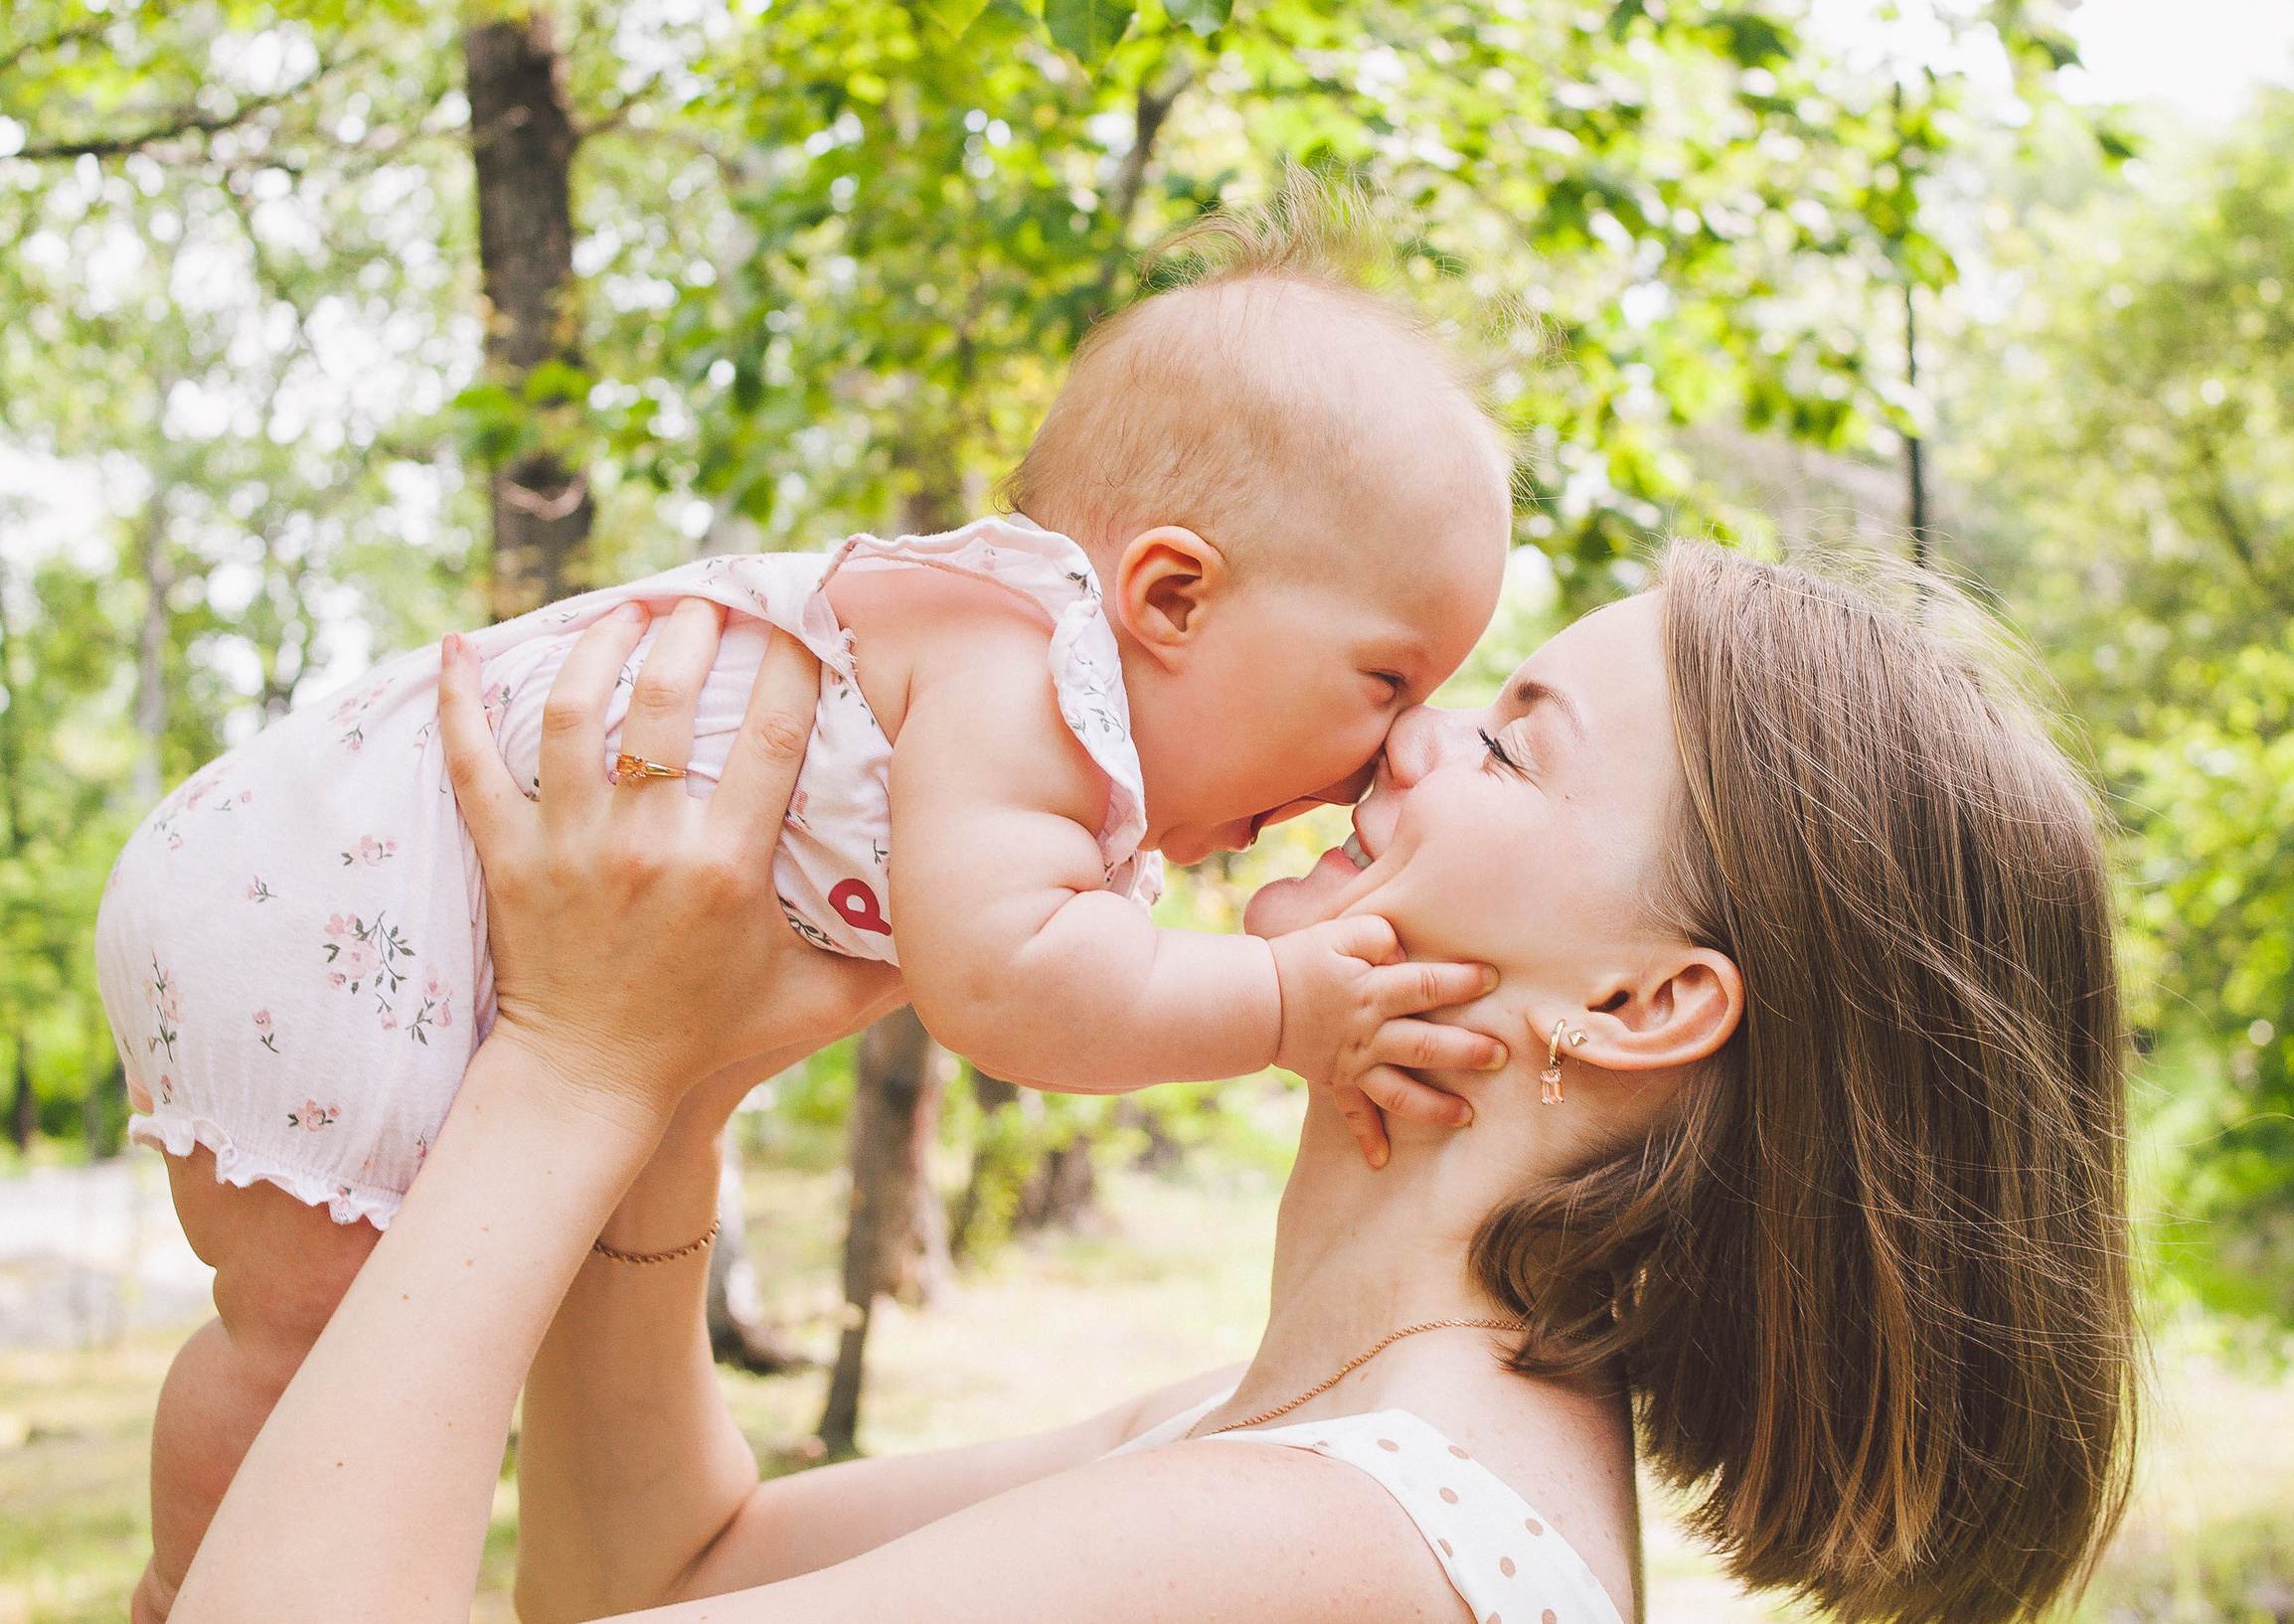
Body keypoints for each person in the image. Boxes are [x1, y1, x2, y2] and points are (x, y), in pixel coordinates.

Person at [165, 537, 2136, 1624]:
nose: (1403, 745)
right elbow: (648, 1571)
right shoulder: (1271, 1433)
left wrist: (569, 1064)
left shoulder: (1329, 1540)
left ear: (1638, 1002)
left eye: (1513, 749)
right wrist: (676, 1085)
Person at [99, 196, 1517, 1623]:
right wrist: (1282, 1008)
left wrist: (659, 1084)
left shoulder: (1015, 678)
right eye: (1387, 683)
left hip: (332, 880)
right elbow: (1014, 986)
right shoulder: (1024, 673)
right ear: (1171, 596)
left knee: (313, 1332)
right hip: (347, 887)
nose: (1394, 751)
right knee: (314, 1333)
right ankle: (185, 1590)